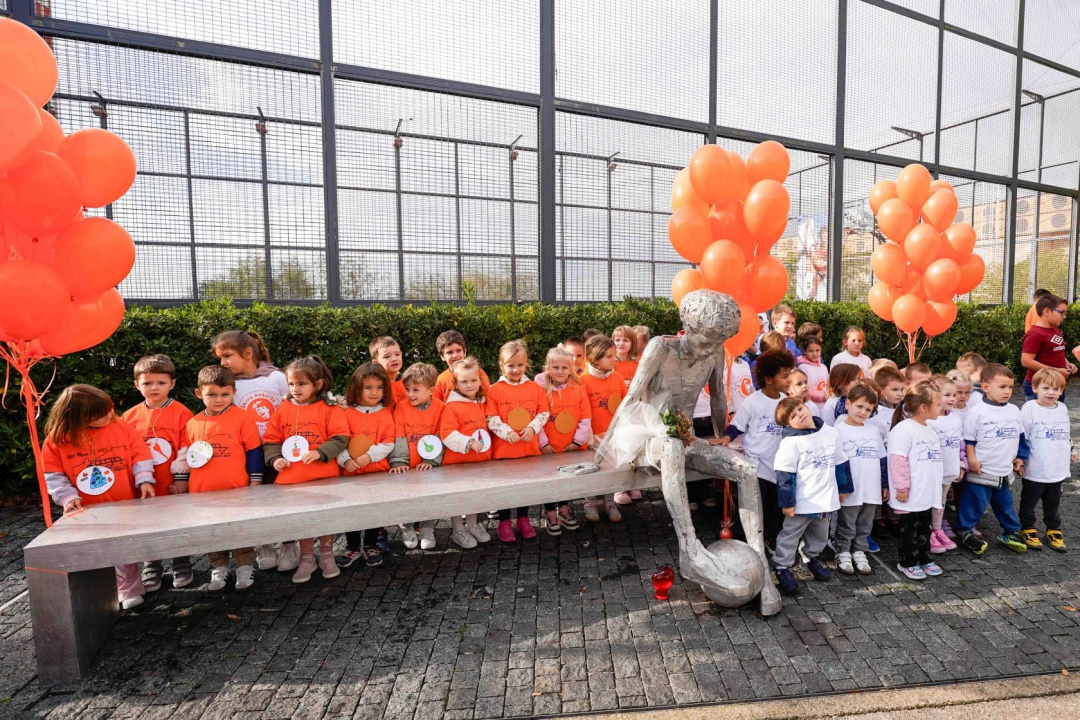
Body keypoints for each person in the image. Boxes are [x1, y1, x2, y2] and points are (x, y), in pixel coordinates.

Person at [43, 385, 155, 609]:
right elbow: (53, 475)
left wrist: (143, 479)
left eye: (109, 409)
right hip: (88, 509)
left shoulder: (120, 426)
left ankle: (129, 589)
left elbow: (139, 453)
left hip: (123, 503)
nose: (109, 415)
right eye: (101, 414)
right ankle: (98, 593)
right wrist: (67, 497)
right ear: (79, 418)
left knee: (122, 548)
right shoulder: (57, 440)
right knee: (94, 550)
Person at [263, 356, 350, 583]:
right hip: (293, 478)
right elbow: (271, 439)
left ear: (318, 384)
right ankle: (307, 557)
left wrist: (320, 452)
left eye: (301, 384)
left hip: (322, 476)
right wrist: (274, 460)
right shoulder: (283, 409)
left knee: (325, 517)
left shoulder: (330, 408)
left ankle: (327, 554)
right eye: (291, 384)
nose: (295, 389)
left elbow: (341, 437)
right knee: (303, 519)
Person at [213, 330, 290, 571]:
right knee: (257, 502)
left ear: (247, 353)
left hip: (279, 451)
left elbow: (291, 408)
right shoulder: (230, 384)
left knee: (286, 501)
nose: (223, 363)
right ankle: (264, 544)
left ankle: (289, 543)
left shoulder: (276, 377)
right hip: (250, 453)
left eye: (227, 356)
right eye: (220, 358)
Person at [183, 366, 264, 592]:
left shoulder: (242, 417)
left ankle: (245, 565)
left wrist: (255, 481)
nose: (219, 400)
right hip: (202, 491)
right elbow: (187, 455)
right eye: (212, 395)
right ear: (199, 393)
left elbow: (254, 450)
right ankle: (218, 567)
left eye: (225, 394)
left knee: (239, 529)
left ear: (233, 392)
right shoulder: (193, 423)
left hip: (236, 488)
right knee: (211, 531)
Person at [121, 354, 195, 592]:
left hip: (171, 483)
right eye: (147, 383)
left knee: (177, 523)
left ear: (172, 384)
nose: (154, 388)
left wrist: (182, 479)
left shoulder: (182, 413)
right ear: (136, 385)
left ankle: (181, 561)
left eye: (161, 383)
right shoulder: (128, 417)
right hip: (143, 485)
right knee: (147, 525)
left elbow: (187, 448)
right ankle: (152, 563)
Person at [772, 398, 853, 593]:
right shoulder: (790, 443)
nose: (800, 414)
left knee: (820, 531)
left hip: (825, 497)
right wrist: (787, 502)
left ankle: (811, 557)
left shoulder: (831, 432)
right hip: (802, 501)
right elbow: (784, 474)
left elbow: (840, 461)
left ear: (806, 406)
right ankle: (782, 566)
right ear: (787, 423)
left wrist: (843, 488)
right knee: (790, 534)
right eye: (793, 416)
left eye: (800, 408)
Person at [719, 349, 796, 550]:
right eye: (785, 376)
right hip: (757, 464)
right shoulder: (753, 401)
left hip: (780, 464)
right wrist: (726, 438)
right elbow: (737, 425)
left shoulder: (786, 401)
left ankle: (772, 538)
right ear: (769, 379)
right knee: (755, 506)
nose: (789, 380)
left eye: (790, 374)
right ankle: (749, 541)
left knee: (775, 506)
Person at [958, 363, 1029, 555]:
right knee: (975, 503)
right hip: (982, 469)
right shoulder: (977, 411)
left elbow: (1020, 436)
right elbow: (969, 440)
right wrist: (971, 459)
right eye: (1002, 387)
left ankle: (1012, 531)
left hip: (1004, 470)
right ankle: (965, 530)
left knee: (1005, 504)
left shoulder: (1014, 410)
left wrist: (1020, 457)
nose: (1007, 391)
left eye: (1010, 387)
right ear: (986, 386)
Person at [335, 363, 397, 568]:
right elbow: (338, 439)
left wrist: (368, 457)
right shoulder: (345, 413)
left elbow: (388, 443)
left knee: (373, 511)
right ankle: (352, 546)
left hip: (376, 473)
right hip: (350, 475)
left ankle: (371, 545)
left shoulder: (385, 414)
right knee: (352, 512)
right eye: (368, 387)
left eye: (379, 387)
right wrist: (345, 460)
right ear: (357, 387)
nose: (374, 392)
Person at [487, 340, 549, 540]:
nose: (515, 369)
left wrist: (532, 427)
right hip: (504, 450)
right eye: (510, 365)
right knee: (506, 487)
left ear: (526, 364)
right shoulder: (493, 390)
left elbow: (544, 412)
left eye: (520, 365)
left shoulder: (535, 388)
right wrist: (506, 432)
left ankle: (523, 518)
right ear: (501, 365)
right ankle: (504, 522)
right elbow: (491, 418)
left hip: (528, 448)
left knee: (525, 486)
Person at [888, 382, 946, 580]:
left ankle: (924, 557)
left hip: (926, 492)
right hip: (911, 493)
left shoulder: (929, 428)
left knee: (924, 527)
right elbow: (898, 460)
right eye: (938, 404)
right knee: (909, 529)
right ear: (923, 407)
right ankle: (908, 561)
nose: (942, 407)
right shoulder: (903, 430)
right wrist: (902, 487)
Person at [388, 363, 445, 550]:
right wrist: (399, 461)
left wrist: (431, 460)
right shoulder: (402, 407)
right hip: (407, 464)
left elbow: (440, 435)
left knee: (431, 497)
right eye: (407, 389)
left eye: (416, 390)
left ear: (430, 390)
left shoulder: (440, 407)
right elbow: (399, 435)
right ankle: (406, 527)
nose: (410, 394)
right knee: (405, 497)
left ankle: (428, 528)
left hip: (428, 465)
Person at [438, 356, 494, 548]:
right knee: (458, 496)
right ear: (455, 383)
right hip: (457, 462)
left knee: (475, 495)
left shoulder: (483, 402)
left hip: (478, 460)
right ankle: (457, 530)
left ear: (480, 381)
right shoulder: (452, 406)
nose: (469, 385)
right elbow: (446, 433)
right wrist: (468, 442)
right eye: (464, 381)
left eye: (473, 380)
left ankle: (472, 524)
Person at [535, 346, 590, 535]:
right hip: (549, 447)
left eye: (564, 368)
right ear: (548, 368)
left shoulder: (578, 390)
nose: (560, 372)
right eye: (555, 367)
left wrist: (577, 442)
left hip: (569, 446)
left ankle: (565, 510)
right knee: (549, 480)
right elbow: (537, 418)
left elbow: (585, 417)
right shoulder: (541, 390)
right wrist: (542, 443)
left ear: (571, 369)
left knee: (567, 478)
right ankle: (550, 512)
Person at [834, 384, 886, 575]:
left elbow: (882, 458)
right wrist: (841, 486)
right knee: (847, 522)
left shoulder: (872, 431)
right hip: (850, 489)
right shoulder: (839, 430)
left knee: (865, 523)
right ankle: (843, 551)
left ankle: (860, 550)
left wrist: (885, 483)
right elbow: (837, 462)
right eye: (859, 406)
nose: (863, 412)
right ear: (848, 403)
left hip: (870, 488)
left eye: (868, 409)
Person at [1018, 368, 1073, 552]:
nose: (1051, 393)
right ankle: (1027, 527)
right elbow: (1022, 435)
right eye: (1046, 388)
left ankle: (1053, 528)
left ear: (1061, 391)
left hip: (1057, 466)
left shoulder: (1063, 408)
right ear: (1034, 388)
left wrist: (1071, 449)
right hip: (1035, 466)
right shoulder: (1029, 408)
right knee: (1029, 500)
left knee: (1053, 501)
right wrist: (1019, 458)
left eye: (1056, 389)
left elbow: (1065, 432)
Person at [581, 334, 627, 523]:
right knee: (592, 469)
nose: (614, 359)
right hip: (592, 437)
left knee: (610, 469)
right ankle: (590, 502)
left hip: (614, 435)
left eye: (614, 355)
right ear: (595, 358)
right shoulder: (583, 380)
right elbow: (580, 410)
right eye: (609, 356)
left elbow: (625, 403)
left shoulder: (617, 377)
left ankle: (609, 502)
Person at [927, 377, 963, 553]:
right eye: (947, 394)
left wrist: (961, 464)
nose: (952, 398)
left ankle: (937, 528)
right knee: (930, 501)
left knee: (940, 501)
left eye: (954, 394)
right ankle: (928, 532)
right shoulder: (930, 420)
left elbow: (959, 444)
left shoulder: (955, 418)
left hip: (949, 469)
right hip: (932, 472)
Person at [1021, 292, 1076, 400]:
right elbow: (1026, 361)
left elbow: (1056, 351)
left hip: (1056, 384)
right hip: (1040, 386)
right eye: (1062, 313)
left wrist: (1067, 364)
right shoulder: (1034, 334)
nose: (1064, 317)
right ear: (1047, 311)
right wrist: (1057, 371)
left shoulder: (1055, 330)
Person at [434, 330, 490, 402]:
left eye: (458, 350)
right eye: (449, 352)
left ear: (465, 352)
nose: (455, 355)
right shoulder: (441, 380)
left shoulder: (478, 373)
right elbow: (437, 405)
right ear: (442, 356)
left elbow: (488, 398)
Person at [370, 336, 407, 405]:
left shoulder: (408, 381)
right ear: (376, 363)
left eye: (397, 354)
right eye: (387, 356)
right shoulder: (373, 385)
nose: (394, 359)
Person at [796, 336, 829, 414]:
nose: (814, 354)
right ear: (804, 351)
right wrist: (822, 396)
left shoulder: (823, 367)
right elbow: (804, 390)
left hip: (824, 407)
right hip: (811, 408)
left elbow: (827, 385)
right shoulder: (802, 367)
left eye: (817, 350)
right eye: (810, 351)